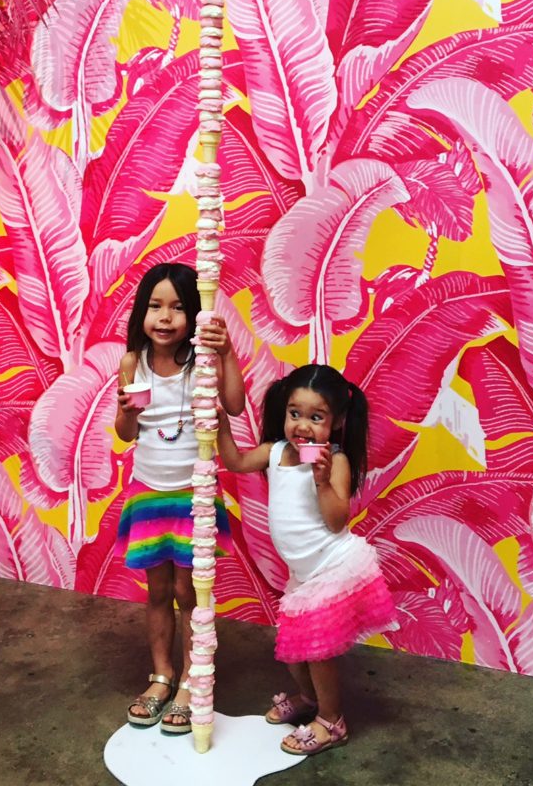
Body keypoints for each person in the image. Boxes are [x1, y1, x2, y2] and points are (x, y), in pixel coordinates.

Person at [216, 364, 398, 756]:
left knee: (317, 652)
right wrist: (220, 427)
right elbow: (234, 462)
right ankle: (310, 698)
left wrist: (321, 478)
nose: (302, 426)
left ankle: (333, 722)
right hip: (303, 575)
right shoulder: (276, 451)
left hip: (332, 567)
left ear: (336, 424)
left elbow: (336, 521)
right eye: (294, 414)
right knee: (294, 649)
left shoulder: (337, 462)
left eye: (316, 418)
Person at [114, 262, 245, 734]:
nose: (165, 317)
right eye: (155, 306)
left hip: (194, 496)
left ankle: (192, 680)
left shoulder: (200, 363)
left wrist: (226, 352)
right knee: (158, 592)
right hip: (148, 493)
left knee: (191, 593)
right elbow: (127, 433)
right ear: (141, 312)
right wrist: (123, 408)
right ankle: (161, 675)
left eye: (177, 307)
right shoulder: (134, 362)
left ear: (194, 315)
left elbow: (234, 405)